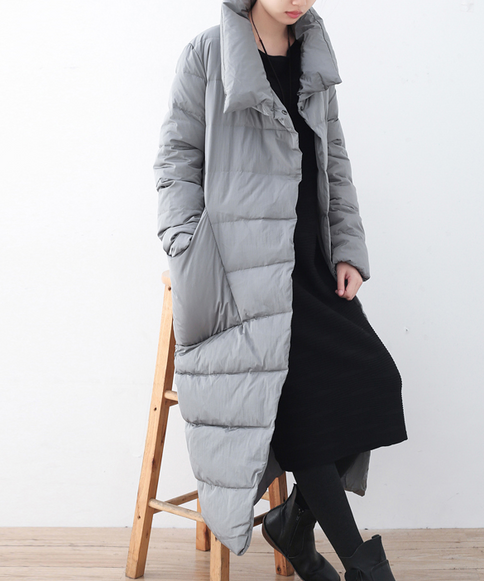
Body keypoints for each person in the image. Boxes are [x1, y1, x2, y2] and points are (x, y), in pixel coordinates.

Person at [154, 1, 407, 580]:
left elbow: (334, 160)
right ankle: (363, 567)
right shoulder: (208, 54)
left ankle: (292, 522)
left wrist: (347, 248)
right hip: (239, 276)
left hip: (310, 264)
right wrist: (190, 248)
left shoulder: (313, 53)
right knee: (303, 407)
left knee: (376, 383)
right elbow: (175, 161)